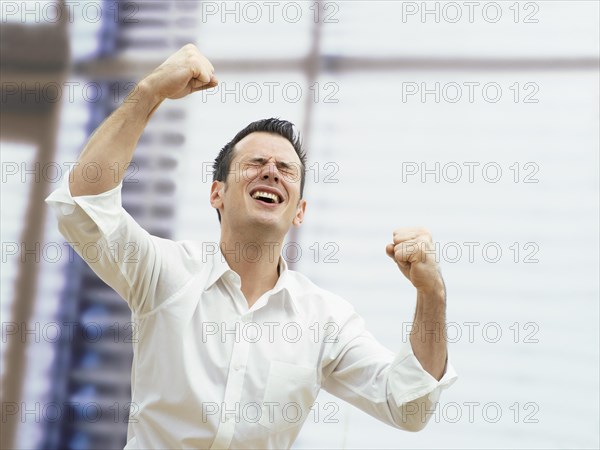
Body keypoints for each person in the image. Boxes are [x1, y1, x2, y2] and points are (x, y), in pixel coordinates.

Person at [46, 44, 457, 449]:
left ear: (300, 211)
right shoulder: (165, 272)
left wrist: (431, 293)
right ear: (216, 194)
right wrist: (151, 90)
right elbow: (82, 208)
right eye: (255, 164)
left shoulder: (326, 319)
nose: (272, 173)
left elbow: (408, 405)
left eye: (286, 170)